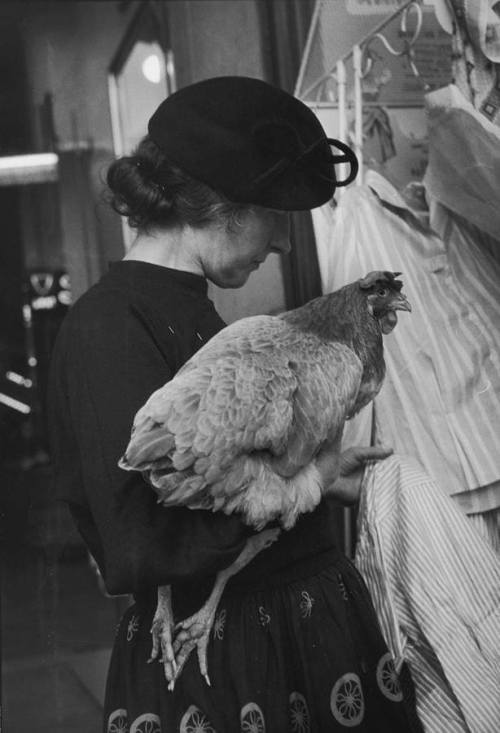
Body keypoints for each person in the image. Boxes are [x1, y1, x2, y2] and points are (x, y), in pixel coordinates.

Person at [48, 76, 422, 733]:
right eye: (276, 215)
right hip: (231, 665)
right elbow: (140, 540)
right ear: (219, 204)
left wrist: (313, 477)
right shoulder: (109, 326)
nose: (282, 242)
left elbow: (220, 486)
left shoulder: (191, 311)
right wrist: (304, 482)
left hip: (283, 641)